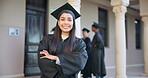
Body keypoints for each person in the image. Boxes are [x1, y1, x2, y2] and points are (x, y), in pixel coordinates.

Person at [38, 3, 88, 78]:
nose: (66, 23)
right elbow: (42, 61)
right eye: (62, 19)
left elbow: (80, 62)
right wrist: (66, 64)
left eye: (69, 20)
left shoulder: (79, 43)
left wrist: (56, 58)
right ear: (58, 22)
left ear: (73, 23)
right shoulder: (47, 39)